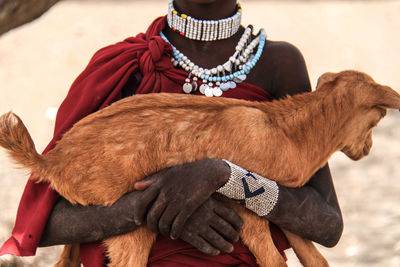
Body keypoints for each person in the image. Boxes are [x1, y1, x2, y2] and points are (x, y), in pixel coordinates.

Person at [0, 0, 343, 266]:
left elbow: (326, 223)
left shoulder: (279, 65)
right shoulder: (124, 68)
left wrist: (225, 177)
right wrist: (156, 211)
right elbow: (45, 222)